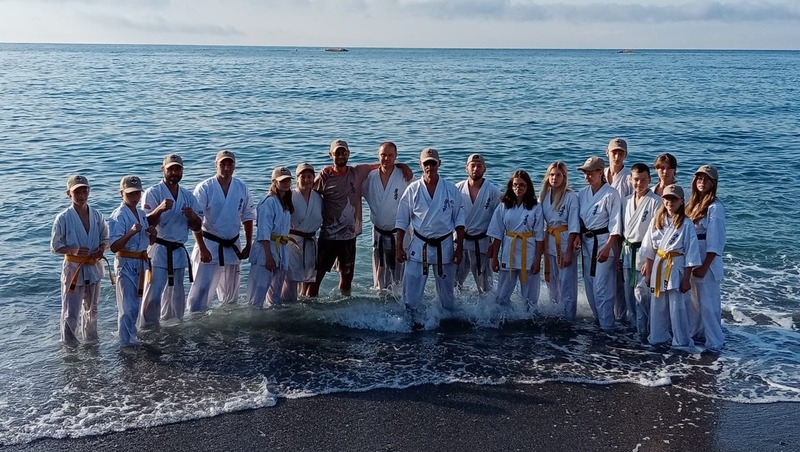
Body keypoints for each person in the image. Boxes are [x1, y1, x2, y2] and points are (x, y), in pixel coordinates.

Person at [310, 139, 411, 297]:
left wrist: (402, 166)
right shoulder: (326, 175)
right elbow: (308, 192)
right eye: (337, 153)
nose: (341, 155)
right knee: (316, 278)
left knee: (347, 280)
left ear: (348, 154)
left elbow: (384, 165)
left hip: (350, 237)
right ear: (331, 154)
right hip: (328, 235)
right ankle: (309, 306)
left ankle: (346, 306)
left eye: (344, 152)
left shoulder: (357, 173)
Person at [396, 148, 465, 327]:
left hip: (445, 246)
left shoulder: (450, 189)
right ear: (420, 164)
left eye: (433, 163)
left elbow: (459, 220)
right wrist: (399, 247)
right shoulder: (413, 189)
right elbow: (402, 220)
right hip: (420, 245)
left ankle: (447, 322)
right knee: (411, 293)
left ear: (439, 164)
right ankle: (411, 322)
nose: (430, 167)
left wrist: (459, 248)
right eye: (426, 163)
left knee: (447, 294)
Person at [186, 150, 256, 312]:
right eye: (222, 164)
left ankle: (227, 324)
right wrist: (202, 248)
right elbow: (196, 221)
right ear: (215, 165)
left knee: (231, 296)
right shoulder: (205, 187)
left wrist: (248, 244)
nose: (226, 167)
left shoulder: (241, 187)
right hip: (209, 245)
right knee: (200, 292)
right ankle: (196, 321)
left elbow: (247, 217)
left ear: (234, 166)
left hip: (233, 245)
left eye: (230, 164)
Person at [138, 154, 203, 327]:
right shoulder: (153, 192)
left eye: (177, 169)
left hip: (179, 250)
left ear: (182, 171)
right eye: (171, 169)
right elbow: (146, 224)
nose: (174, 172)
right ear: (163, 169)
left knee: (176, 295)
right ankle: (148, 328)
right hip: (158, 248)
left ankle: (174, 327)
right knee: (153, 294)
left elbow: (198, 226)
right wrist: (159, 209)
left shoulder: (188, 196)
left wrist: (192, 216)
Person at [51, 175, 109, 346]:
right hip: (73, 268)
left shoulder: (97, 215)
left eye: (85, 191)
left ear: (89, 191)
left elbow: (105, 239)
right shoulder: (63, 217)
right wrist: (72, 250)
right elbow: (55, 246)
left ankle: (92, 344)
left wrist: (101, 249)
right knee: (70, 312)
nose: (82, 195)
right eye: (77, 192)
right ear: (69, 193)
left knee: (92, 310)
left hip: (93, 267)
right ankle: (69, 348)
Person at [641, 184, 701, 348]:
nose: (670, 202)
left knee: (677, 307)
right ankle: (658, 337)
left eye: (674, 199)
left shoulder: (686, 224)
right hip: (659, 265)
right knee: (657, 305)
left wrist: (687, 279)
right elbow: (649, 249)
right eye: (667, 199)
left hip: (676, 266)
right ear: (663, 200)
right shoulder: (656, 220)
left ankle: (681, 341)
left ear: (681, 201)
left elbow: (691, 253)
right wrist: (648, 273)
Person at [109, 176, 156, 346]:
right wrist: (130, 232)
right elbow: (114, 246)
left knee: (136, 303)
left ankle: (132, 336)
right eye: (130, 194)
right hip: (126, 262)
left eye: (137, 193)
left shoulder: (141, 214)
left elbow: (149, 242)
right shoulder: (119, 215)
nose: (134, 197)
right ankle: (126, 341)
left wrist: (153, 234)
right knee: (127, 306)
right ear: (122, 193)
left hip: (141, 262)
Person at [576, 156, 622, 331]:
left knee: (602, 288)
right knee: (590, 286)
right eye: (585, 173)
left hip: (603, 244)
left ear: (600, 172)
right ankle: (598, 322)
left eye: (590, 173)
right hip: (587, 243)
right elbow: (579, 220)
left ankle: (607, 326)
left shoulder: (611, 194)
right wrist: (578, 236)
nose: (587, 176)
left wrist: (608, 248)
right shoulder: (582, 193)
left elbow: (615, 224)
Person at [488, 170, 544, 310]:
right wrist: (494, 258)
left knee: (530, 297)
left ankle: (529, 317)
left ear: (528, 186)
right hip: (509, 251)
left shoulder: (536, 207)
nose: (518, 188)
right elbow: (497, 234)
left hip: (528, 251)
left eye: (522, 185)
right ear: (511, 186)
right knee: (502, 294)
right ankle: (503, 316)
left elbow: (539, 237)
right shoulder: (504, 205)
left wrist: (538, 260)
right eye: (515, 185)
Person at [686, 165, 726, 353]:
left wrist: (704, 266)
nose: (702, 182)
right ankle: (697, 336)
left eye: (706, 179)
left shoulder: (715, 207)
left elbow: (715, 242)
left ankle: (715, 342)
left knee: (709, 305)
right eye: (699, 178)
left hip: (706, 262)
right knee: (694, 304)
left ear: (713, 183)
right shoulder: (692, 204)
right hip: (693, 258)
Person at [362, 142, 412, 293]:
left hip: (400, 235)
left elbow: (417, 202)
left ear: (396, 156)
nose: (386, 158)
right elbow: (353, 191)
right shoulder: (370, 177)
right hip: (379, 234)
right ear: (378, 156)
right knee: (380, 279)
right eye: (383, 155)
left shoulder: (404, 176)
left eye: (390, 155)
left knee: (400, 280)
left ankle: (401, 303)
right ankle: (381, 301)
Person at [620, 163, 661, 340]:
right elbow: (622, 230)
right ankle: (635, 329)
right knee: (629, 294)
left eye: (643, 180)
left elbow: (657, 234)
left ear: (650, 180)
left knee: (642, 294)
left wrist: (650, 260)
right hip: (627, 252)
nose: (639, 183)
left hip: (645, 254)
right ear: (630, 180)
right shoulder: (626, 201)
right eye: (636, 180)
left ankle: (645, 332)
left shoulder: (656, 202)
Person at [247, 167, 294, 308]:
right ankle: (253, 318)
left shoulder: (284, 202)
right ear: (274, 182)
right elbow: (263, 231)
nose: (286, 183)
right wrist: (268, 256)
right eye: (282, 181)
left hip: (281, 250)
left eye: (288, 180)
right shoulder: (268, 202)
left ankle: (272, 319)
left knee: (275, 295)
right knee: (258, 292)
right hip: (266, 250)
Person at [539, 162, 580, 319]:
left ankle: (569, 318)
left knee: (567, 284)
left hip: (565, 242)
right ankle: (556, 314)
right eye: (552, 175)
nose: (555, 178)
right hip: (549, 241)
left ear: (564, 177)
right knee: (551, 281)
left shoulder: (571, 197)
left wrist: (569, 252)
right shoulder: (544, 196)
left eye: (558, 175)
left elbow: (574, 226)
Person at [455, 154, 501, 293]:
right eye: (472, 166)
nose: (475, 169)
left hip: (482, 244)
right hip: (460, 243)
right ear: (466, 168)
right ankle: (455, 307)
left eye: (479, 166)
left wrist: (494, 245)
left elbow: (499, 221)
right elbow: (448, 217)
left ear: (484, 169)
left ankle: (486, 308)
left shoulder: (493, 191)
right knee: (453, 285)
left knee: (485, 289)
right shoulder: (457, 189)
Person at [604, 138, 632, 323]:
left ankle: (622, 318)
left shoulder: (629, 178)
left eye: (621, 153)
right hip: (601, 233)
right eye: (614, 152)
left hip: (621, 235)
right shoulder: (601, 174)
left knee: (620, 278)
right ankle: (607, 314)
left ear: (625, 155)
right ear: (607, 153)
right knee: (605, 278)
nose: (617, 156)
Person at [286, 162, 323, 300]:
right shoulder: (289, 196)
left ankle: (304, 303)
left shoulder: (318, 198)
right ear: (297, 179)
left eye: (309, 176)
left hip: (311, 242)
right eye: (303, 177)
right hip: (293, 243)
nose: (306, 180)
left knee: (309, 277)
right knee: (291, 278)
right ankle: (288, 305)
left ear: (314, 178)